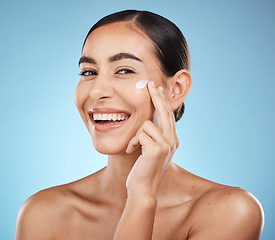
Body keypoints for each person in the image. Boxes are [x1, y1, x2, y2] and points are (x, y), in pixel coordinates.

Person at [15, 10, 264, 240]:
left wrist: (142, 195)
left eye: (124, 70)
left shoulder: (231, 211)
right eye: (88, 72)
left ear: (175, 89)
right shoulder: (42, 213)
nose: (97, 90)